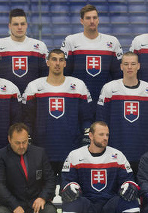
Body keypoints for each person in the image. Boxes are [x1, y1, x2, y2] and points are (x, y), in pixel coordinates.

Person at [59, 122, 141, 213]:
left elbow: (129, 178)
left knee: (132, 203)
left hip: (110, 203)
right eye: (101, 134)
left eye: (107, 135)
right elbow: (66, 180)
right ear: (90, 135)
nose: (105, 138)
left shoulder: (117, 155)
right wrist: (69, 187)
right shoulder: (75, 156)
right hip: (87, 204)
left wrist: (129, 185)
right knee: (69, 204)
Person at [22, 48, 94, 177]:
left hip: (71, 149)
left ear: (65, 63)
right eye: (54, 59)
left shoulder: (78, 86)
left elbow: (87, 118)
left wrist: (85, 138)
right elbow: (27, 119)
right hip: (42, 150)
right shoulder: (34, 86)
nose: (57, 63)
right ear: (48, 62)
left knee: (68, 192)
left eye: (61, 60)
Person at [95, 51, 148, 172]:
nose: (129, 67)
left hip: (144, 152)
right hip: (115, 153)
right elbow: (101, 122)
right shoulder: (109, 89)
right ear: (121, 66)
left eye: (133, 64)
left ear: (138, 66)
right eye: (126, 64)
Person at [60, 4, 123, 104]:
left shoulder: (112, 42)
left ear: (98, 20)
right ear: (81, 21)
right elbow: (65, 73)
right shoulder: (71, 41)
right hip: (78, 98)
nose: (92, 21)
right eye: (88, 18)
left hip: (105, 99)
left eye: (95, 18)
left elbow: (118, 75)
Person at [0, 8, 49, 95]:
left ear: (27, 25)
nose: (20, 27)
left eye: (22, 24)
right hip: (5, 97)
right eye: (16, 24)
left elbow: (46, 75)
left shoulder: (39, 46)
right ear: (9, 26)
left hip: (32, 98)